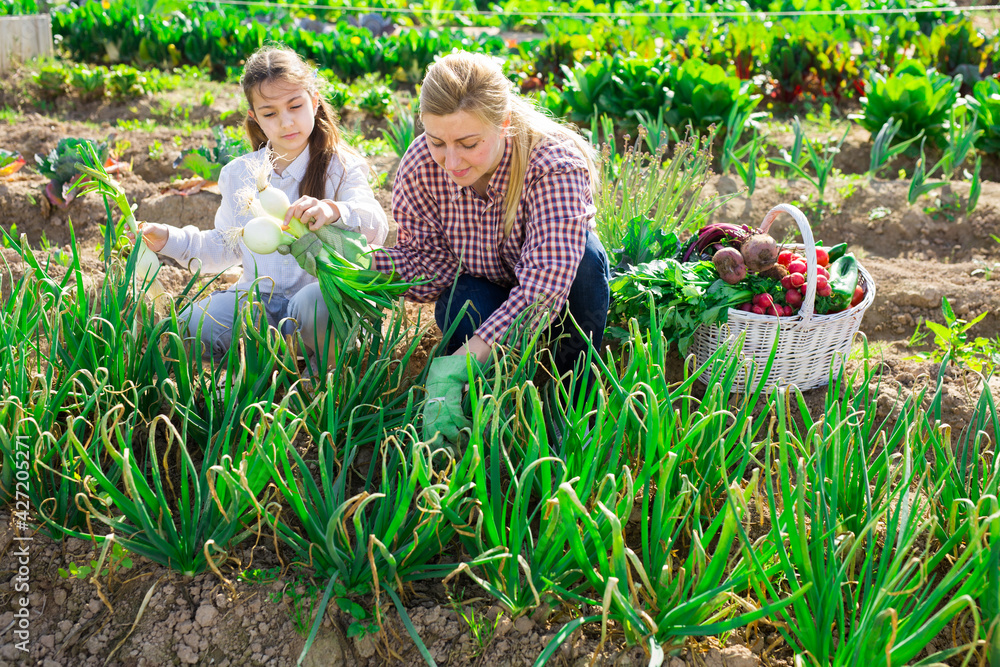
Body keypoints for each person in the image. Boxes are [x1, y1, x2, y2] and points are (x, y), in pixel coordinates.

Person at [291, 51, 610, 444]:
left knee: (587, 261)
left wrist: (459, 362)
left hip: (559, 293)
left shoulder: (552, 161)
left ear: (503, 124)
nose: (452, 161)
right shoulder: (422, 166)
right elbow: (430, 264)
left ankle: (570, 396)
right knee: (463, 302)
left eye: (468, 143)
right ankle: (493, 406)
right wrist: (355, 262)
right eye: (437, 141)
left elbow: (545, 286)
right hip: (484, 285)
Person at [135, 46, 388, 363]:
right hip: (259, 302)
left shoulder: (342, 167)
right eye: (270, 113)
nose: (286, 122)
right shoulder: (239, 173)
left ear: (314, 100)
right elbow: (226, 245)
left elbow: (376, 224)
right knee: (189, 329)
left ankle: (325, 377)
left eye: (295, 106)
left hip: (320, 304)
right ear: (255, 118)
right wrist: (169, 239)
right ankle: (259, 368)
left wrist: (333, 210)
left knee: (314, 305)